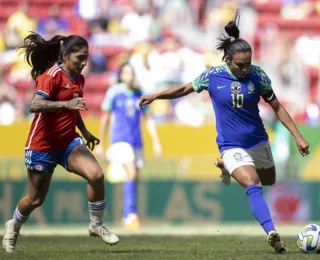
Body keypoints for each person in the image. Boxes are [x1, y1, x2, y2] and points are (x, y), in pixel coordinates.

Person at [139, 11, 310, 253]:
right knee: (252, 184)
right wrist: (155, 95)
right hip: (231, 144)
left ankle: (225, 166)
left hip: (258, 141)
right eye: (240, 65)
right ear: (228, 60)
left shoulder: (258, 75)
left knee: (269, 179)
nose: (245, 69)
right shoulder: (213, 76)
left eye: (248, 63)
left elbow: (277, 106)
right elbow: (184, 88)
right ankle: (272, 232)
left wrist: (298, 135)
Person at [2, 33, 119, 253]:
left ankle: (96, 225)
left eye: (86, 58)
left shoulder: (79, 78)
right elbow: (35, 105)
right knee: (35, 200)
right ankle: (13, 226)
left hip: (68, 142)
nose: (84, 63)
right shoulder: (51, 76)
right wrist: (66, 105)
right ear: (65, 56)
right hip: (42, 146)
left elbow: (74, 108)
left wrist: (84, 131)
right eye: (79, 58)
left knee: (97, 175)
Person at [96, 62, 162, 231]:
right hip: (119, 139)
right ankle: (130, 215)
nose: (129, 76)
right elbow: (106, 117)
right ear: (121, 75)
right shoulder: (114, 92)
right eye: (126, 72)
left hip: (136, 141)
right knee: (132, 171)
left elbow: (148, 118)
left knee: (134, 176)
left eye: (131, 72)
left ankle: (127, 216)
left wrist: (156, 142)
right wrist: (101, 143)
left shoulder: (139, 94)